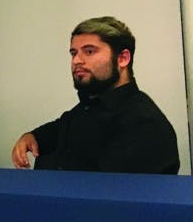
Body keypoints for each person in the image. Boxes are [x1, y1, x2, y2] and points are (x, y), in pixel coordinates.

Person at [11, 16, 179, 174]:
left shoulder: (144, 123)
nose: (77, 60)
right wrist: (32, 137)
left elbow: (100, 189)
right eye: (73, 53)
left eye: (89, 51)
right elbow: (61, 128)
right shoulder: (90, 106)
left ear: (122, 59)